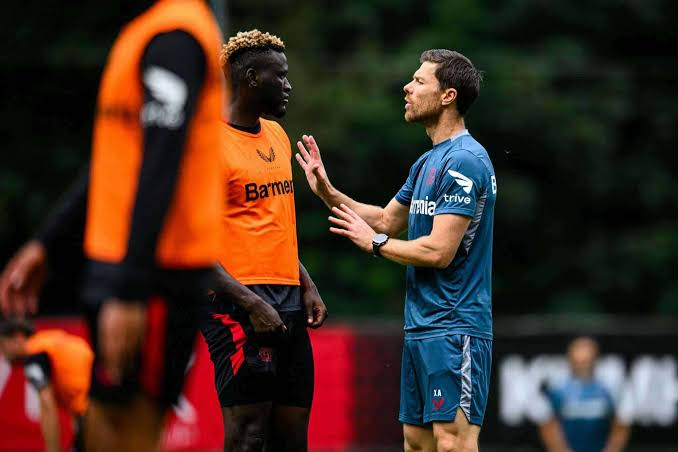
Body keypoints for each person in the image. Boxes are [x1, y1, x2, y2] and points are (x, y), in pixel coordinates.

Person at [0, 1, 226, 450]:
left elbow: (160, 163)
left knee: (130, 433)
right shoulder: (147, 30)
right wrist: (48, 242)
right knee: (101, 429)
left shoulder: (176, 36)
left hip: (154, 279)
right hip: (123, 272)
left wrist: (132, 290)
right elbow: (117, 162)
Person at [296, 49, 494, 451]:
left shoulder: (465, 161)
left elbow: (439, 251)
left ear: (447, 96)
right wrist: (327, 192)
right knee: (417, 443)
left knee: (452, 442)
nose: (407, 86)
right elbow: (386, 220)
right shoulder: (427, 163)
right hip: (421, 326)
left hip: (454, 327)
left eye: (419, 81)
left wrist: (377, 246)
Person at [200, 29, 328, 452]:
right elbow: (194, 250)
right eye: (281, 76)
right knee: (248, 436)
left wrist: (305, 283)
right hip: (237, 304)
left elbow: (275, 225)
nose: (289, 85)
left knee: (292, 438)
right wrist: (252, 305)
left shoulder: (276, 135)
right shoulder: (206, 145)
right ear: (251, 78)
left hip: (288, 300)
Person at [0, 318, 93, 452]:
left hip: (94, 412)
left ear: (18, 338)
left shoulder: (34, 356)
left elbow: (47, 404)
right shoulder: (50, 342)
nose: (3, 354)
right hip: (93, 408)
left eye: (2, 345)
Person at [534, 337, 632, 452]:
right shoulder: (557, 389)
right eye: (578, 362)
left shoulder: (609, 389)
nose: (583, 366)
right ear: (570, 360)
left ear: (596, 360)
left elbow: (621, 426)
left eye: (587, 361)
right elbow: (548, 426)